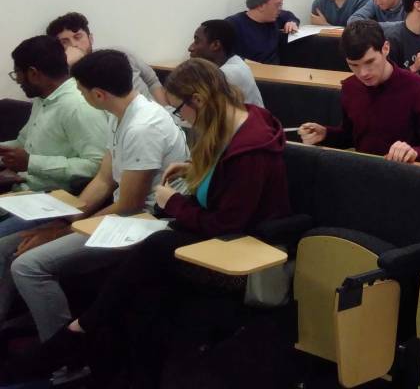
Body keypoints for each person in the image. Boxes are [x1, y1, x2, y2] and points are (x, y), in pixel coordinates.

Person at [27, 57, 291, 382]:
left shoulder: (250, 147)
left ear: (198, 100)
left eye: (179, 110)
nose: (180, 118)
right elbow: (224, 184)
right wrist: (194, 170)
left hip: (238, 256)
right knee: (143, 296)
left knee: (155, 248)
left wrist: (173, 202)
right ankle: (95, 347)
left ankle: (79, 332)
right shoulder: (230, 124)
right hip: (210, 239)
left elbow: (226, 223)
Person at [3, 50, 188, 344]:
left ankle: (63, 352)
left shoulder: (143, 127)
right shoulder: (120, 115)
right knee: (6, 247)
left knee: (28, 266)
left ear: (99, 94)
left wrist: (60, 232)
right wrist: (64, 220)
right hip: (121, 214)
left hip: (145, 224)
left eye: (81, 90)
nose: (79, 95)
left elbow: (130, 205)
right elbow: (103, 180)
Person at [0, 37, 109, 237]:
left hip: (55, 201)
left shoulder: (79, 106)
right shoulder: (43, 99)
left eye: (17, 74)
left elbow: (97, 166)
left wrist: (31, 163)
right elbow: (24, 143)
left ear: (33, 74)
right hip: (22, 193)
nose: (18, 81)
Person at [298, 21, 420, 163]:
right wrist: (325, 134)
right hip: (364, 171)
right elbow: (351, 136)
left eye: (369, 62)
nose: (363, 73)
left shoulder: (419, 88)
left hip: (405, 173)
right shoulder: (350, 86)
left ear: (385, 48)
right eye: (354, 65)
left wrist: (415, 152)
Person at [45, 13, 166, 105]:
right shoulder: (64, 78)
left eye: (78, 37)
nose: (74, 45)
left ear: (90, 38)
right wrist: (69, 63)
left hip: (158, 115)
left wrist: (165, 110)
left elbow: (152, 80)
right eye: (64, 42)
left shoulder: (118, 54)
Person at [186, 19, 263, 106]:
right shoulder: (228, 63)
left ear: (216, 45)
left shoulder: (229, 74)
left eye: (197, 41)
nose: (190, 48)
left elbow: (201, 109)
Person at [225, 0, 300, 64]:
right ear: (261, 6)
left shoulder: (274, 17)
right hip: (252, 70)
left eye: (281, 5)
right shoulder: (233, 24)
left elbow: (290, 16)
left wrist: (292, 22)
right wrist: (247, 63)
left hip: (277, 70)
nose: (280, 9)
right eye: (277, 5)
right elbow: (223, 54)